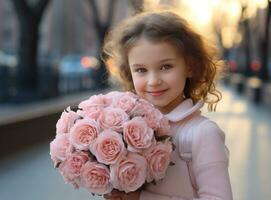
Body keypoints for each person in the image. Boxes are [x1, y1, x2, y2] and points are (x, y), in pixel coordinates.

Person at [102, 10, 233, 200]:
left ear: (190, 66)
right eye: (141, 70)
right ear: (129, 73)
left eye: (165, 67)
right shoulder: (126, 130)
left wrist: (141, 198)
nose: (153, 80)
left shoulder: (203, 134)